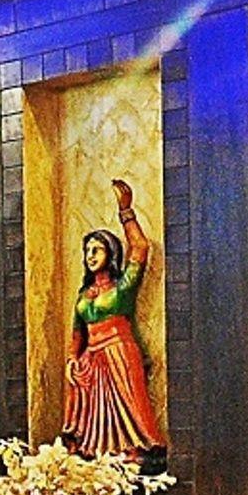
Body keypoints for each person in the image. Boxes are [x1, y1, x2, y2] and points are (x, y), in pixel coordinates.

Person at [63, 178, 164, 460]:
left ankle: (136, 450)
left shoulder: (122, 288)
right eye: (87, 250)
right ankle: (96, 453)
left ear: (110, 253)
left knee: (128, 405)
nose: (90, 255)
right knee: (92, 415)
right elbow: (77, 333)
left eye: (96, 249)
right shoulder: (84, 294)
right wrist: (72, 359)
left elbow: (140, 247)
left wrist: (126, 211)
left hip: (120, 352)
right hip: (91, 360)